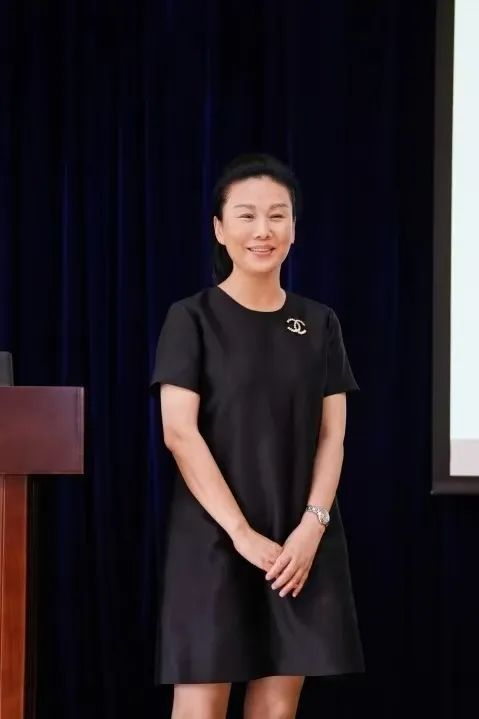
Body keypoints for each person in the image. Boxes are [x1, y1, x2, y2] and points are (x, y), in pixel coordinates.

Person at [150, 153, 364, 719]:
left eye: (277, 215)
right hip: (214, 536)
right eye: (246, 216)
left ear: (294, 229)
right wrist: (241, 533)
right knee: (201, 702)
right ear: (220, 230)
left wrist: (312, 526)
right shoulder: (191, 318)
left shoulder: (319, 322)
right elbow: (179, 433)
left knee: (276, 704)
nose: (262, 230)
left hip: (298, 540)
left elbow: (333, 435)